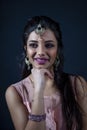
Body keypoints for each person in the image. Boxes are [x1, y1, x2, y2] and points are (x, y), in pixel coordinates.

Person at [5, 16, 87, 130]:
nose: (41, 52)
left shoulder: (77, 84)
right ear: (26, 50)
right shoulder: (15, 92)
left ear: (57, 50)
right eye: (33, 45)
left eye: (49, 45)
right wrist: (39, 90)